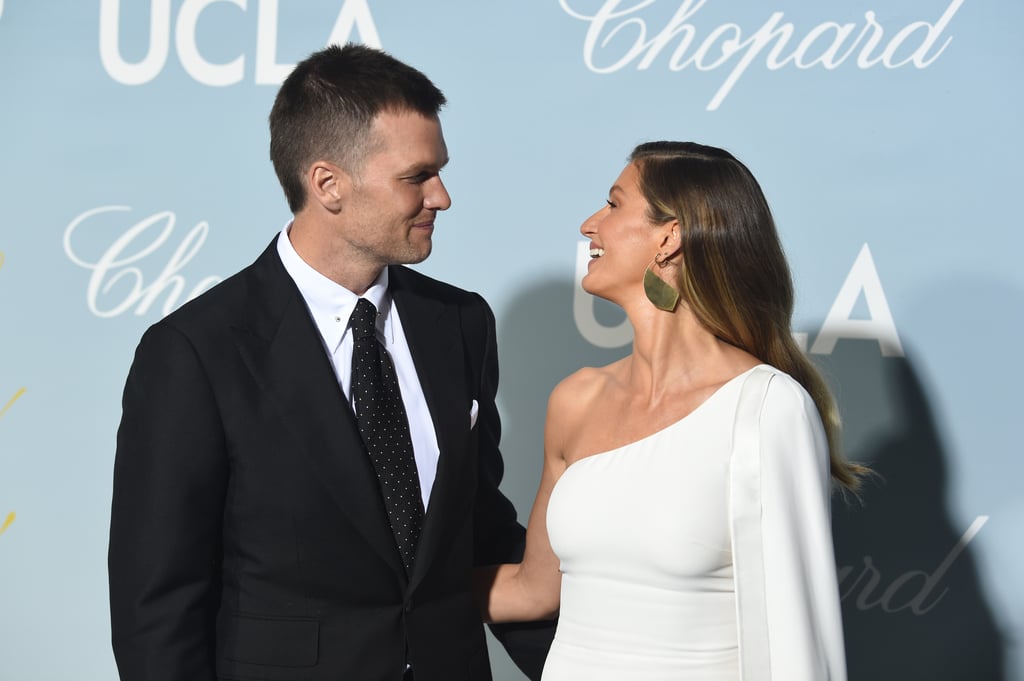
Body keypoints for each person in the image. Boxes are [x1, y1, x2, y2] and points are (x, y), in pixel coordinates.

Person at [108, 43, 551, 681]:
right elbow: (159, 605)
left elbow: (475, 534)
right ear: (328, 183)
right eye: (416, 176)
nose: (443, 196)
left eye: (440, 171)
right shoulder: (195, 352)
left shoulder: (460, 324)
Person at [475, 142, 867, 680]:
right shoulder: (576, 400)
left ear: (670, 236)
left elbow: (797, 637)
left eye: (613, 205)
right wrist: (381, 595)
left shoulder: (766, 408)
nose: (590, 225)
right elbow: (534, 591)